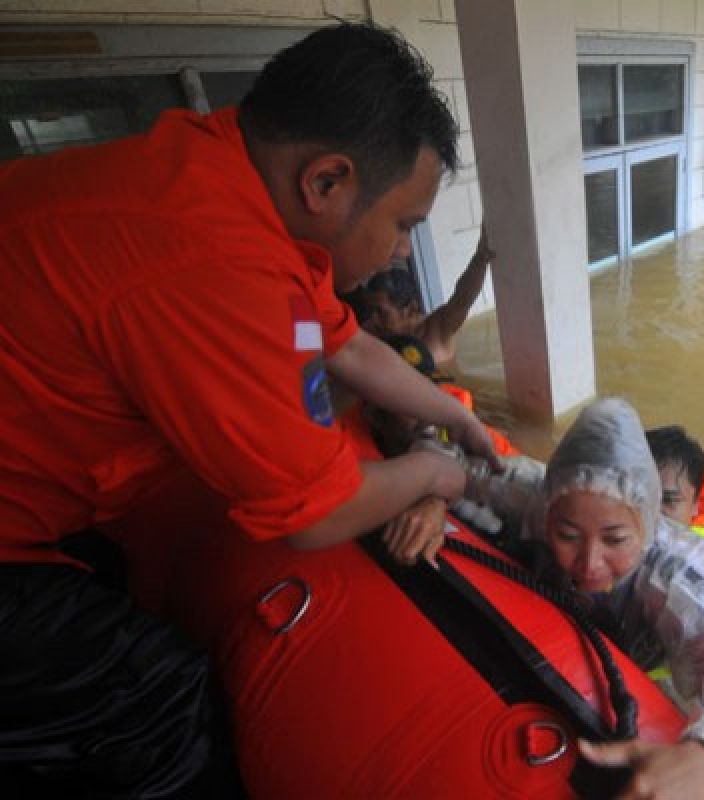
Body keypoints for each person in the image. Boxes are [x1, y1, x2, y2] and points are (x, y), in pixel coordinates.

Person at [0, 23, 497, 795]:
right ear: (327, 182)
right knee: (157, 696)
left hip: (42, 488)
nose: (403, 254)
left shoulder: (215, 176)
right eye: (403, 225)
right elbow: (315, 513)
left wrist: (460, 421)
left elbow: (350, 349)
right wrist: (438, 473)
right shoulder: (215, 266)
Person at [462, 398, 704, 800]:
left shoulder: (674, 573)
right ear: (549, 514)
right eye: (569, 535)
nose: (590, 563)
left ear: (644, 526)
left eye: (615, 539)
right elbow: (458, 471)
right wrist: (434, 497)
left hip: (645, 676)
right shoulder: (543, 498)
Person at [343, 225, 493, 372]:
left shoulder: (438, 329)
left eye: (381, 312)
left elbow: (462, 299)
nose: (373, 319)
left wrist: (480, 259)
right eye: (371, 310)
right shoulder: (376, 333)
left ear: (411, 309)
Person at [646, 425, 704, 576]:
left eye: (668, 500)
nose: (651, 512)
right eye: (641, 496)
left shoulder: (702, 568)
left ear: (695, 506)